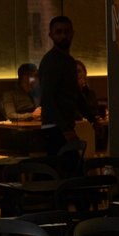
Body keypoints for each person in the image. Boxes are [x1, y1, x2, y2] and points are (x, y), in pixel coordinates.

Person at [38, 16, 81, 156]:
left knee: (67, 169)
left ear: (72, 33)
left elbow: (76, 93)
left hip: (60, 125)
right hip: (54, 127)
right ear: (51, 35)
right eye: (59, 32)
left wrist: (93, 119)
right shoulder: (51, 62)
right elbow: (47, 98)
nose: (64, 36)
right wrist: (65, 129)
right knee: (68, 170)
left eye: (67, 32)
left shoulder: (68, 61)